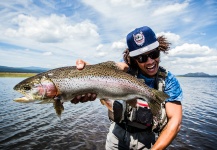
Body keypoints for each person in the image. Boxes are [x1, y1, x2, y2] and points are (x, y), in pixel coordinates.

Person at [71, 26, 183, 150]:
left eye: (154, 54)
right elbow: (118, 67)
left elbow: (175, 122)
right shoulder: (127, 67)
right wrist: (91, 70)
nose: (150, 61)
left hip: (145, 140)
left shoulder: (169, 81)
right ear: (134, 59)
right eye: (142, 58)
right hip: (116, 135)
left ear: (159, 50)